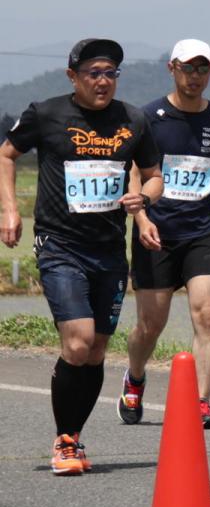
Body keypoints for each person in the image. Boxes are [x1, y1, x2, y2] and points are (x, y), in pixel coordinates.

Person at [0, 39, 162, 475]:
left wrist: (142, 199)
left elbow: (154, 176)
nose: (102, 81)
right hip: (59, 244)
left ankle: (73, 435)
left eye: (110, 72)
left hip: (108, 250)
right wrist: (10, 209)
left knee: (95, 352)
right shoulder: (46, 113)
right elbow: (7, 154)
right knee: (77, 340)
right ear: (73, 77)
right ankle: (65, 441)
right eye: (93, 72)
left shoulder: (133, 119)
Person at [122, 39, 210, 430]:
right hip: (156, 230)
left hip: (204, 230)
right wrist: (141, 221)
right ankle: (136, 377)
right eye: (188, 68)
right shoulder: (148, 117)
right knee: (150, 325)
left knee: (206, 313)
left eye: (202, 69)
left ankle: (201, 401)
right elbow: (134, 174)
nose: (195, 77)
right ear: (172, 68)